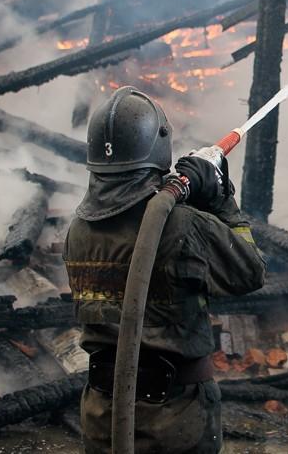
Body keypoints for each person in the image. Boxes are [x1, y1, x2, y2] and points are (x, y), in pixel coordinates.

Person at [63, 86, 265, 453]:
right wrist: (221, 200)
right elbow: (250, 272)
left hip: (100, 417)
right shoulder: (181, 225)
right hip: (175, 421)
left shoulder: (78, 230)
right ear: (158, 149)